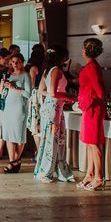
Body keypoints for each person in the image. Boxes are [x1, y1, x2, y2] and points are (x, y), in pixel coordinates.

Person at [34, 45, 76, 183]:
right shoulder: (56, 70)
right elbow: (52, 92)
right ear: (61, 57)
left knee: (54, 139)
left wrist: (55, 99)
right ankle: (47, 172)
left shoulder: (47, 70)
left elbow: (41, 90)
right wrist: (68, 97)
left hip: (51, 108)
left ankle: (57, 171)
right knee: (53, 140)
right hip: (54, 110)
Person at [77, 38, 106, 191]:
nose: (81, 50)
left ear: (86, 50)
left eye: (83, 47)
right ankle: (89, 174)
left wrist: (87, 99)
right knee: (89, 143)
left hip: (93, 108)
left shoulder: (92, 67)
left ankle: (99, 177)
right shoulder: (90, 66)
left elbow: (100, 92)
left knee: (94, 144)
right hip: (89, 108)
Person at [1, 54, 32, 174]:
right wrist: (4, 86)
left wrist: (14, 87)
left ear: (22, 62)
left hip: (19, 107)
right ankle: (12, 160)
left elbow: (28, 94)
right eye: (13, 62)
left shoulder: (26, 75)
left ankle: (16, 160)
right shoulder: (9, 75)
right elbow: (3, 93)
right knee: (8, 134)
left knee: (18, 134)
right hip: (8, 105)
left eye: (18, 62)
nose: (15, 64)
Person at [25, 46, 45, 161]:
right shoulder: (44, 68)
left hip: (35, 96)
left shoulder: (33, 68)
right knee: (38, 124)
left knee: (35, 125)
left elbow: (31, 85)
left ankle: (38, 152)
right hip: (41, 96)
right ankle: (38, 151)